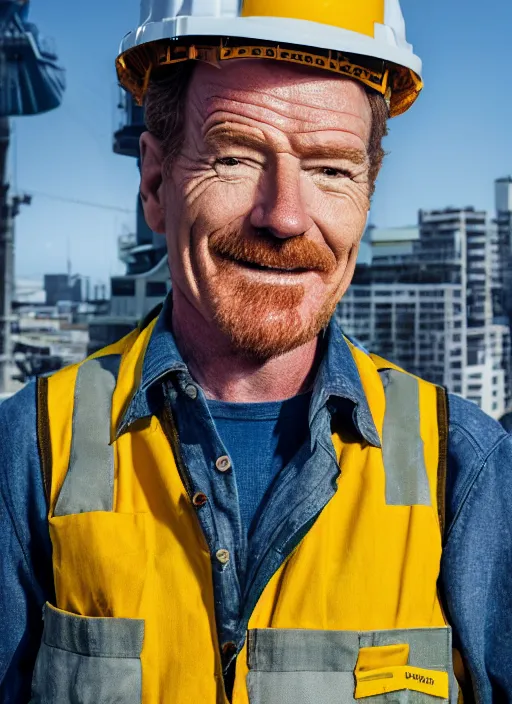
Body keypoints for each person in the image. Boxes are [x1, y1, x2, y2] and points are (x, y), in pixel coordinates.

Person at [1, 1, 511, 702]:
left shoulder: (469, 470)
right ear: (155, 184)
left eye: (332, 170)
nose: (286, 216)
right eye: (236, 156)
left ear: (367, 193)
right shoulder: (30, 453)